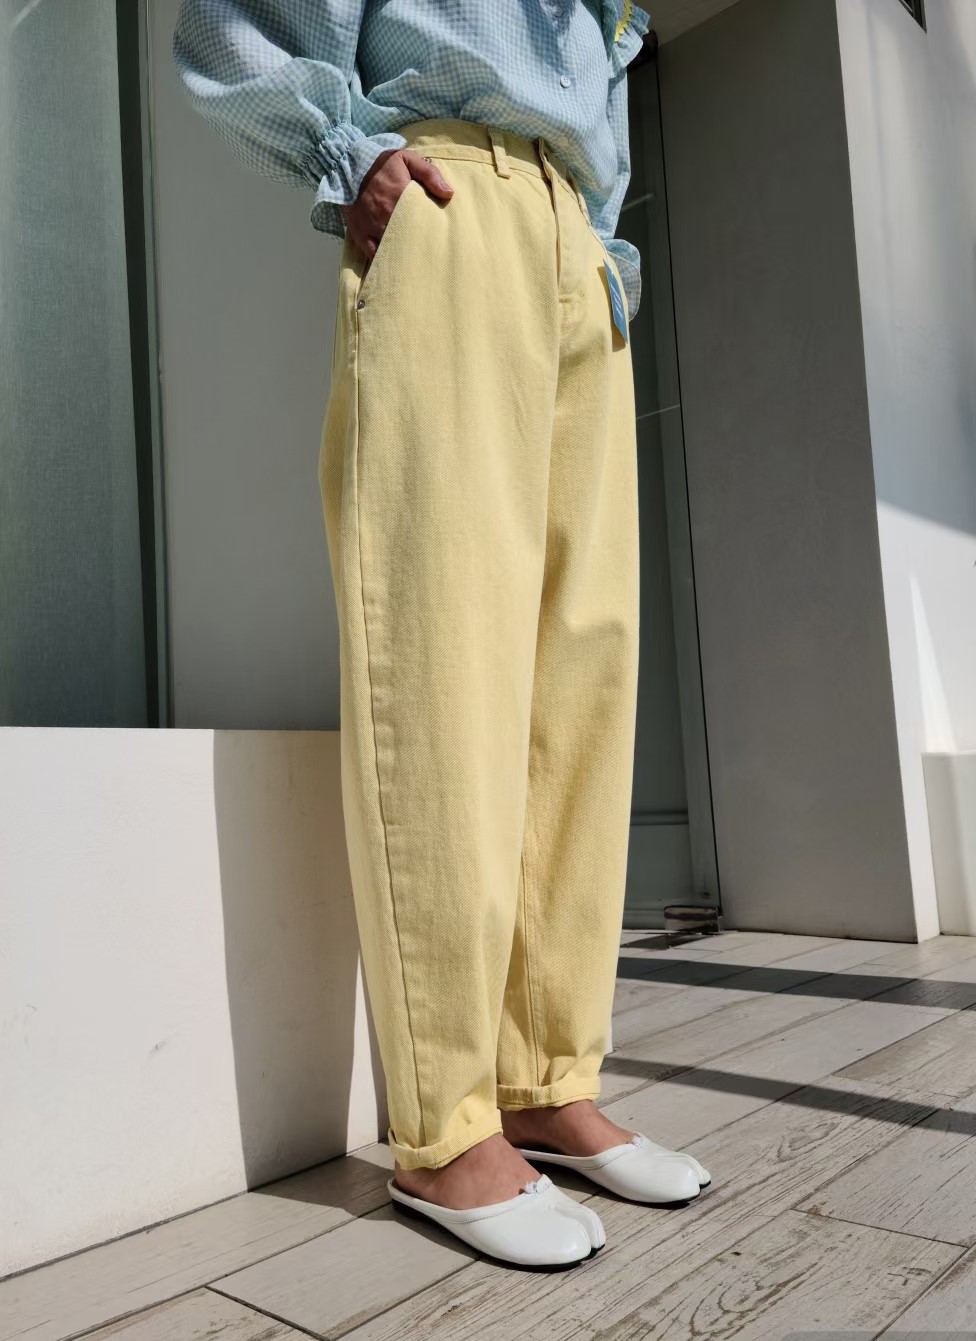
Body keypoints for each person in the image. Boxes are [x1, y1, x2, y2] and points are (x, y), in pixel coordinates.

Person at [173, 0, 711, 1270]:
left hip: (575, 246)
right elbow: (234, 25)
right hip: (448, 197)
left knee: (579, 680)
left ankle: (544, 1077)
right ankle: (445, 1125)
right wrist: (350, 154)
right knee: (443, 654)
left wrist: (596, 248)